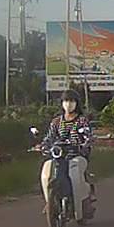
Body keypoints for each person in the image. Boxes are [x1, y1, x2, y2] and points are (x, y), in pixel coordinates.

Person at [39, 87, 95, 217]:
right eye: (65, 101)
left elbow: (88, 136)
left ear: (77, 103)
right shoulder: (56, 122)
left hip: (77, 156)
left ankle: (79, 208)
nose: (68, 104)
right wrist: (42, 146)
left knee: (74, 172)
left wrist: (84, 145)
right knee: (46, 172)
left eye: (71, 101)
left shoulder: (82, 120)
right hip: (58, 156)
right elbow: (49, 138)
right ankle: (50, 203)